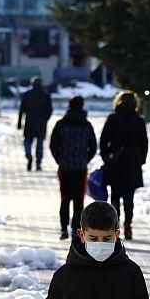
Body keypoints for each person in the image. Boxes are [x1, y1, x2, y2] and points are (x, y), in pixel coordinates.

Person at [99, 90, 148, 240]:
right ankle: (128, 225)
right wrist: (141, 160)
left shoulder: (113, 118)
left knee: (115, 195)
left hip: (115, 162)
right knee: (129, 198)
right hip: (132, 163)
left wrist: (106, 156)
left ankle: (115, 225)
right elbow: (144, 143)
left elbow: (103, 140)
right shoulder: (138, 120)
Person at [49, 96, 98, 241]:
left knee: (64, 199)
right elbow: (93, 147)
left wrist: (60, 159)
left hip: (64, 168)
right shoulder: (87, 125)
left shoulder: (61, 124)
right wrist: (84, 159)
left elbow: (53, 145)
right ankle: (76, 229)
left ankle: (63, 228)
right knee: (79, 201)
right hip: (80, 169)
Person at [17, 76, 53, 171]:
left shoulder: (27, 94)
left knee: (27, 141)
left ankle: (29, 156)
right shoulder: (46, 95)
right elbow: (49, 110)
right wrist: (45, 119)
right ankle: (38, 163)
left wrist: (19, 122)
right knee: (40, 143)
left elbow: (21, 110)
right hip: (41, 123)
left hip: (29, 122)